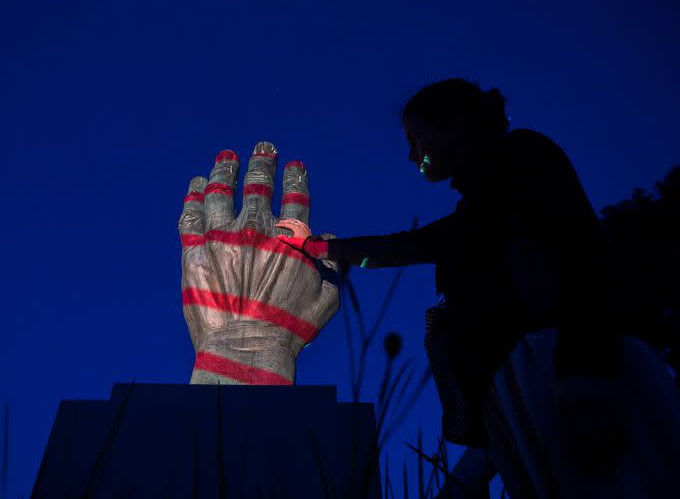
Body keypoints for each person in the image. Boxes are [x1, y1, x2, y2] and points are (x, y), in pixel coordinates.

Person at [276, 78, 680, 498]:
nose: (413, 154)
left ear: (454, 124)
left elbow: (580, 254)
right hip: (538, 381)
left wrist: (582, 371)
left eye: (417, 138)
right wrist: (317, 246)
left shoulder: (522, 162)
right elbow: (413, 245)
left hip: (567, 369)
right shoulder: (481, 208)